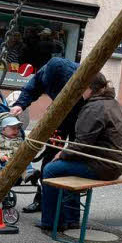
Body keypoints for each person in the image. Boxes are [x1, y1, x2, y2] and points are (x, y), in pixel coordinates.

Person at [39, 73, 122, 232]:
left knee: (51, 169)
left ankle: (52, 222)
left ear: (89, 89)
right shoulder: (113, 103)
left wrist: (62, 154)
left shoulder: (94, 107)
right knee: (66, 167)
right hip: (115, 163)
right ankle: (72, 219)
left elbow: (82, 145)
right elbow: (85, 145)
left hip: (105, 166)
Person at [8, 55, 82, 214]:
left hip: (80, 118)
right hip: (59, 116)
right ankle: (41, 200)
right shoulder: (46, 72)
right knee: (50, 157)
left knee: (75, 157)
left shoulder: (80, 74)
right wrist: (20, 104)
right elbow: (31, 88)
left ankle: (70, 206)